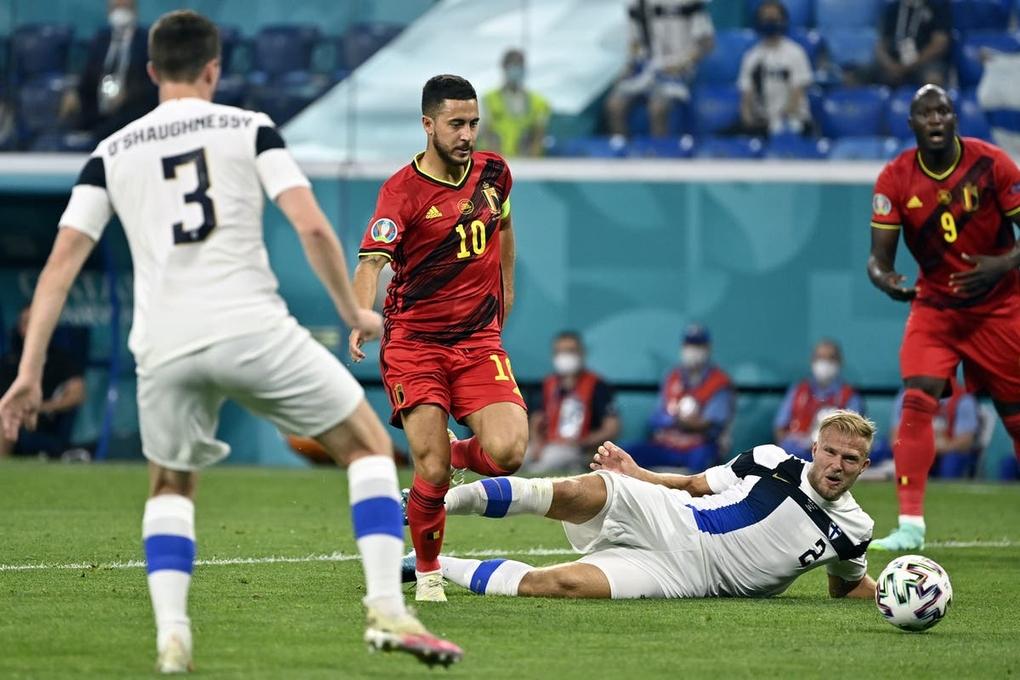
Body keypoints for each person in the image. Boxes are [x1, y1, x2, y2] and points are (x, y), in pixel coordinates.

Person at [0, 11, 460, 671]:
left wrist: (28, 371)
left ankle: (172, 638)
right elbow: (311, 226)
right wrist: (352, 312)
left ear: (152, 71)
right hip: (250, 327)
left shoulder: (110, 153)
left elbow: (59, 267)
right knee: (366, 445)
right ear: (214, 69)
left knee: (170, 485)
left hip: (163, 344)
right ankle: (387, 607)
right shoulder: (250, 128)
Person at [350, 74, 529, 603]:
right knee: (430, 466)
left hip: (477, 341)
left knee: (509, 452)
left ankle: (454, 454)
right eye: (456, 124)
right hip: (415, 343)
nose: (467, 134)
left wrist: (507, 291)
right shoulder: (400, 192)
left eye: (473, 123)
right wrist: (360, 315)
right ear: (428, 125)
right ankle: (428, 573)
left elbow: (504, 230)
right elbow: (371, 263)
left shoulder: (495, 172)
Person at [420, 410, 876, 602]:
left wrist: (898, 592)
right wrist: (638, 474)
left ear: (864, 465)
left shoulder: (856, 530)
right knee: (573, 492)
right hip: (677, 517)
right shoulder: (771, 460)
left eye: (850, 459)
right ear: (815, 448)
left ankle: (429, 564)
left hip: (690, 580)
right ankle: (441, 499)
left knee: (559, 584)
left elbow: (847, 586)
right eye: (830, 452)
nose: (836, 465)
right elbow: (695, 485)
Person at [867, 84, 1020, 551]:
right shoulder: (895, 179)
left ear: (955, 118)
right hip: (935, 307)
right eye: (925, 113)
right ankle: (910, 525)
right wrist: (888, 281)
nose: (935, 119)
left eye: (943, 111)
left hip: (1000, 307)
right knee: (917, 396)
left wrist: (1003, 264)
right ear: (911, 124)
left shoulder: (992, 164)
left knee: (1015, 416)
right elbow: (877, 261)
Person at [625, 324, 734, 473]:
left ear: (707, 348)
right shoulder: (673, 376)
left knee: (702, 463)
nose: (693, 350)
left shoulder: (719, 381)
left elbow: (712, 423)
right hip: (667, 445)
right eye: (689, 345)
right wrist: (674, 419)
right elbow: (654, 418)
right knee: (629, 452)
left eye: (698, 345)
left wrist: (688, 423)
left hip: (698, 448)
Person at [604, 0, 715, 139]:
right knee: (614, 105)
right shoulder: (635, 3)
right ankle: (622, 149)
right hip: (645, 69)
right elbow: (634, 42)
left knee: (657, 108)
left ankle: (658, 151)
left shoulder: (689, 2)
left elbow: (707, 44)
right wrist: (629, 66)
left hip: (680, 69)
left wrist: (682, 63)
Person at [61, 0, 158, 140]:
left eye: (125, 7)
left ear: (135, 10)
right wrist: (73, 91)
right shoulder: (101, 39)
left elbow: (151, 83)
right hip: (98, 106)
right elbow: (87, 76)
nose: (120, 12)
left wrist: (128, 94)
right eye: (116, 7)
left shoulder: (146, 40)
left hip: (131, 109)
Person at [525, 331, 620, 474]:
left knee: (549, 460)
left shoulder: (597, 385)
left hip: (579, 449)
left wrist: (581, 443)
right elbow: (536, 419)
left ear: (582, 353)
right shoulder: (548, 384)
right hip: (548, 444)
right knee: (522, 456)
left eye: (570, 351)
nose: (565, 356)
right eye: (559, 352)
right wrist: (537, 442)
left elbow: (612, 428)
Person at [0, 305, 85, 459]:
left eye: (34, 323)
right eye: (25, 323)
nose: (30, 329)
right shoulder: (8, 360)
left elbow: (77, 393)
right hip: (8, 413)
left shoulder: (60, 360)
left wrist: (42, 407)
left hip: (40, 420)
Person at [774, 339, 863, 461]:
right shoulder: (798, 391)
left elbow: (855, 434)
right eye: (820, 358)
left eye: (830, 358)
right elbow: (780, 428)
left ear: (840, 362)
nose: (824, 363)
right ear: (812, 361)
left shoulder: (850, 396)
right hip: (797, 457)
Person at [734, 0, 813, 137]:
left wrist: (779, 119)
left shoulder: (795, 53)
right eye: (765, 19)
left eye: (774, 19)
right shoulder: (751, 56)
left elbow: (797, 94)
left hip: (792, 121)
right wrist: (748, 120)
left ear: (783, 21)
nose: (769, 22)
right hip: (762, 122)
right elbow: (746, 97)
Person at [889, 378, 981, 479]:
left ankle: (946, 488)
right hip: (916, 450)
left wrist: (938, 447)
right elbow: (896, 437)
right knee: (886, 451)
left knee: (952, 460)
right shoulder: (907, 395)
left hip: (946, 452)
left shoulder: (963, 399)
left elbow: (965, 442)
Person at [480, 49, 551, 158]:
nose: (515, 71)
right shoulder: (488, 99)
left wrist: (532, 160)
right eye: (512, 66)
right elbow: (485, 133)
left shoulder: (538, 102)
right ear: (504, 68)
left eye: (519, 66)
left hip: (526, 163)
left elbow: (539, 135)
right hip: (495, 162)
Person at [874, 0, 951, 89]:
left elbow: (939, 44)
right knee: (864, 75)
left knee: (933, 79)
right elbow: (881, 45)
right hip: (895, 61)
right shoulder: (893, 8)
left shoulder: (937, 6)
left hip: (925, 62)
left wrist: (912, 64)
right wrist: (890, 64)